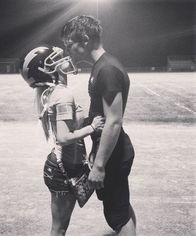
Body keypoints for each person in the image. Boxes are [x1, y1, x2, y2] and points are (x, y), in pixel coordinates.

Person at [61, 15, 136, 235]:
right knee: (120, 205)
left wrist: (100, 166)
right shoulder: (100, 66)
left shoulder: (108, 69)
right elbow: (102, 116)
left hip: (114, 153)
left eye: (70, 45)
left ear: (84, 39)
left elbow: (114, 121)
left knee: (117, 215)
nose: (68, 51)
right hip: (110, 149)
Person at [20, 45, 104, 236]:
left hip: (64, 164)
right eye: (56, 59)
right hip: (62, 168)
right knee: (59, 228)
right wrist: (92, 128)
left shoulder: (56, 92)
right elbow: (64, 137)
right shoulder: (63, 94)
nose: (65, 60)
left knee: (60, 227)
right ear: (46, 70)